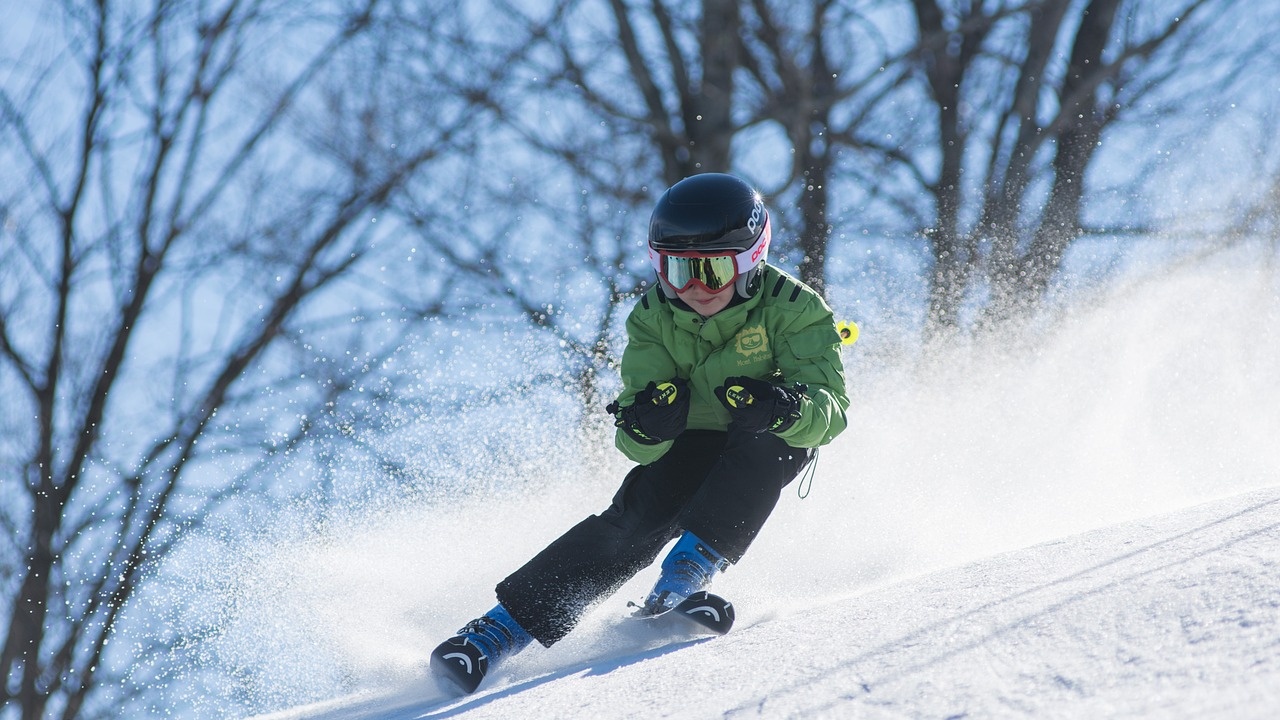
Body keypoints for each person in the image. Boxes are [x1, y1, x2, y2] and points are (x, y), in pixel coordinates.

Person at [429, 172, 850, 694]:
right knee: (636, 518)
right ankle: (494, 634)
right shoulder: (653, 316)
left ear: (749, 262)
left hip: (761, 435)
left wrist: (784, 407)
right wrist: (648, 424)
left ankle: (682, 581)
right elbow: (632, 440)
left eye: (713, 271)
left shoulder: (795, 307)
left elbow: (831, 411)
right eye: (676, 270)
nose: (693, 288)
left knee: (774, 445)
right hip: (690, 440)